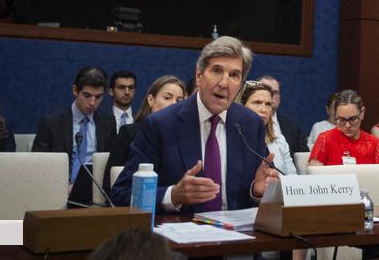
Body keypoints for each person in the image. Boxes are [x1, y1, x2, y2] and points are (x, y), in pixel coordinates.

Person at [110, 36, 277, 213]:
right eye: (216, 71)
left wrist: (257, 191)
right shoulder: (160, 125)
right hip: (179, 233)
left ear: (241, 85)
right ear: (199, 76)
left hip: (237, 234)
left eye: (234, 75)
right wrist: (172, 195)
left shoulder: (251, 124)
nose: (224, 83)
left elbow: (260, 186)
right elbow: (121, 193)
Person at [32, 66, 116, 193]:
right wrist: (60, 188)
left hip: (95, 192)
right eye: (87, 95)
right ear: (75, 90)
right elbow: (38, 164)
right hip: (58, 190)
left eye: (98, 97)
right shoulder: (51, 122)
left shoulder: (108, 122)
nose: (93, 103)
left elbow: (112, 163)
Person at [104, 75, 186, 190]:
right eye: (167, 98)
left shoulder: (185, 137)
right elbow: (110, 185)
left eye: (179, 100)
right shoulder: (129, 133)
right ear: (151, 100)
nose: (174, 104)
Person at [308, 90, 379, 166]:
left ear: (362, 113)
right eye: (341, 120)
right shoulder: (325, 139)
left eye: (353, 119)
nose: (347, 125)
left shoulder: (373, 143)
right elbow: (314, 174)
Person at [240, 81, 296, 175]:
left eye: (268, 104)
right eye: (257, 102)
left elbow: (292, 178)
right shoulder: (230, 139)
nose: (263, 110)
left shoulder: (280, 140)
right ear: (241, 106)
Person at [258, 75, 309, 154]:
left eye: (275, 92)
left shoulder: (292, 127)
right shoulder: (244, 125)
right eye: (266, 91)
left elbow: (303, 156)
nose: (271, 96)